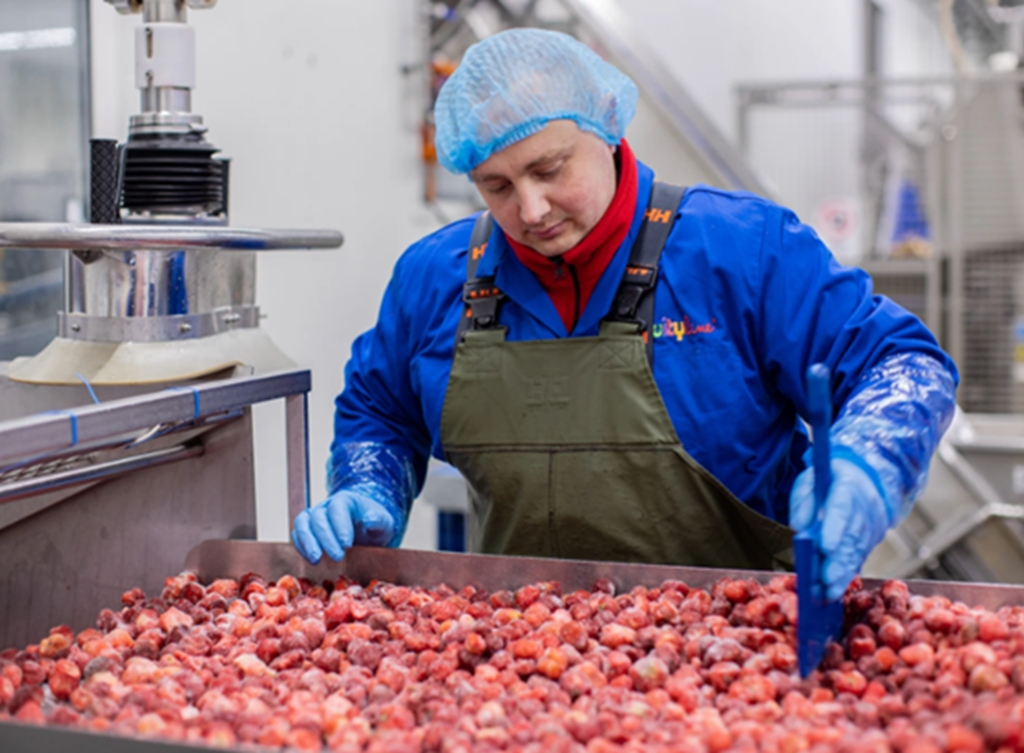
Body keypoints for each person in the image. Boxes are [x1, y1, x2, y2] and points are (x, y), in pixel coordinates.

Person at [292, 28, 958, 600]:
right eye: (497, 186)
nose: (531, 210)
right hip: (513, 662)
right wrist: (370, 486)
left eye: (549, 168)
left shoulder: (743, 250)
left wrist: (867, 462)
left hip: (737, 656)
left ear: (607, 128)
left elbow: (898, 362)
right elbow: (380, 411)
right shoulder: (436, 276)